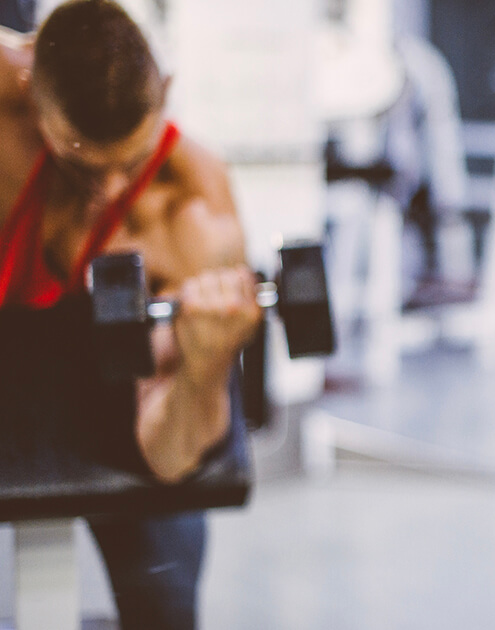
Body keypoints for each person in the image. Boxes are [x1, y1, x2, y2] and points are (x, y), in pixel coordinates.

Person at [0, 1, 260, 627]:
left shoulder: (193, 207)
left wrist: (204, 366)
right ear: (26, 82)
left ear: (166, 91)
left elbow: (169, 455)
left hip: (115, 397)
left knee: (163, 611)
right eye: (84, 160)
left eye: (130, 161)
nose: (114, 189)